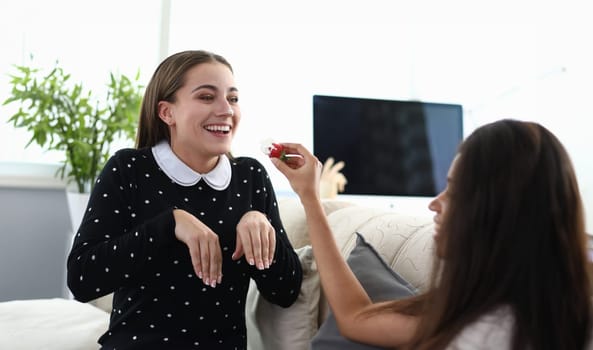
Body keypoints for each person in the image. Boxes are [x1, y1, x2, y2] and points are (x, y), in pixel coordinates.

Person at [270, 119, 593, 349]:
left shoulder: (483, 335)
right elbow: (356, 319)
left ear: (496, 209)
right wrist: (311, 198)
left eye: (453, 190)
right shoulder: (480, 303)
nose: (434, 204)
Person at [66, 50, 303, 349]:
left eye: (232, 98)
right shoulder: (129, 169)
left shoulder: (250, 177)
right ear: (167, 112)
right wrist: (169, 224)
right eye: (206, 97)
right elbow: (82, 279)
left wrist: (261, 226)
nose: (226, 110)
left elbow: (286, 291)